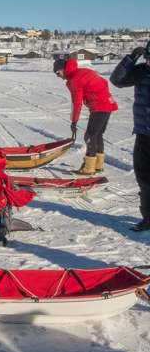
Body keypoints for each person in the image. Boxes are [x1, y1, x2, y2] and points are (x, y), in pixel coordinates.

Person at [110, 41, 150, 232]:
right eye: (148, 59)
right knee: (144, 179)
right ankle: (148, 218)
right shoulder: (141, 70)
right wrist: (130, 59)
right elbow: (117, 80)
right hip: (143, 133)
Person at [53, 58, 118, 175]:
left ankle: (88, 168)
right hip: (108, 103)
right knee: (98, 134)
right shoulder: (85, 71)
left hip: (100, 107)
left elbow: (76, 102)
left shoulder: (74, 80)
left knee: (90, 135)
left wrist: (74, 121)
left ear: (63, 69)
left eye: (57, 73)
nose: (58, 76)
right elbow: (104, 83)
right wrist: (102, 96)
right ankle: (98, 165)